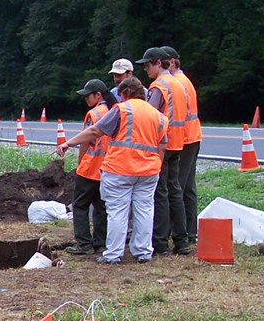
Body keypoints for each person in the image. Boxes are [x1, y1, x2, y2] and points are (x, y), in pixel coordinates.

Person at [56, 77, 167, 264]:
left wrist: (69, 143)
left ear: (126, 93)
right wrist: (157, 166)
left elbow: (95, 131)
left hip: (120, 169)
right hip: (149, 170)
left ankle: (113, 254)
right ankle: (143, 252)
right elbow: (162, 145)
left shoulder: (122, 110)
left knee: (117, 212)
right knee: (145, 210)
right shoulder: (158, 116)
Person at [137, 46, 190, 256]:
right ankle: (181, 241)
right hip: (177, 142)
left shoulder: (159, 86)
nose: (145, 70)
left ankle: (159, 243)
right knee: (175, 191)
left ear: (159, 63)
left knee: (160, 193)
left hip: (161, 143)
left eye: (147, 65)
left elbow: (149, 113)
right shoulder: (178, 83)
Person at [65, 79, 118, 255]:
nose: (86, 99)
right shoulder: (114, 111)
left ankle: (84, 243)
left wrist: (80, 162)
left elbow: (86, 141)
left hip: (91, 167)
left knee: (80, 205)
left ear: (98, 95)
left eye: (88, 95)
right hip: (108, 167)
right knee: (101, 206)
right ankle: (100, 243)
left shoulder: (93, 114)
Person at [162, 46, 201, 252]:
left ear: (172, 62)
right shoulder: (183, 81)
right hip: (191, 136)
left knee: (177, 187)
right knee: (187, 188)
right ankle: (189, 231)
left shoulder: (177, 83)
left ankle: (179, 231)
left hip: (184, 139)